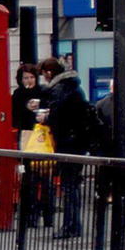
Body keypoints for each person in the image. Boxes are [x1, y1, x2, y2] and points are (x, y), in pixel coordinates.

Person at [37, 56, 98, 238]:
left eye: (43, 74)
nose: (43, 78)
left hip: (68, 143)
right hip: (77, 142)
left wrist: (45, 117)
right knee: (72, 185)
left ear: (49, 72)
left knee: (69, 186)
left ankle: (71, 226)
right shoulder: (72, 87)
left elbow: (58, 117)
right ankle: (73, 224)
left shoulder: (61, 89)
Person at [12, 64, 53, 227]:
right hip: (27, 136)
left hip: (42, 136)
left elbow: (51, 109)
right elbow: (14, 118)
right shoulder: (18, 94)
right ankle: (31, 216)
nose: (28, 81)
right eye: (25, 78)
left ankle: (48, 216)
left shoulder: (43, 92)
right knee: (29, 179)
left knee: (46, 179)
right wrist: (26, 108)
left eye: (31, 77)